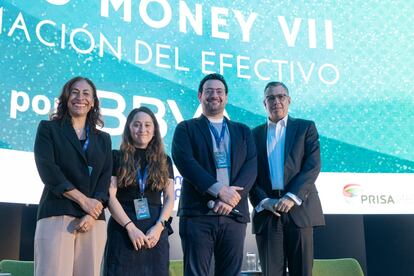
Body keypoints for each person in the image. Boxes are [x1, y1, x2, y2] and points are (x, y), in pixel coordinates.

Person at [172, 73, 257, 276]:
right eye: (209, 91)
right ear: (200, 96)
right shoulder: (186, 128)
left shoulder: (243, 131)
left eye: (219, 91)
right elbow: (186, 163)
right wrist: (220, 191)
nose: (214, 95)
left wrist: (230, 200)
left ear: (226, 97)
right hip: (198, 215)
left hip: (234, 215)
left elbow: (251, 167)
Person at [33, 76, 112, 276]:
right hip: (57, 212)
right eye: (75, 92)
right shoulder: (48, 129)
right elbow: (48, 171)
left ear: (93, 102)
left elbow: (104, 181)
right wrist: (83, 201)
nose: (80, 97)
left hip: (93, 220)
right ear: (66, 97)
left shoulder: (103, 139)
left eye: (86, 94)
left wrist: (91, 212)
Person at [249, 81, 325, 276]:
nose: (276, 101)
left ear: (289, 100)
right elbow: (249, 174)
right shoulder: (253, 135)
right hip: (268, 212)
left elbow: (312, 166)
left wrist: (291, 197)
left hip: (300, 209)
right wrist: (264, 201)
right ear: (264, 103)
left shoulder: (305, 128)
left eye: (281, 96)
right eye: (271, 98)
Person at [104, 107, 174, 276]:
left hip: (155, 232)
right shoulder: (115, 156)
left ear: (154, 129)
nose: (142, 129)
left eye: (147, 125)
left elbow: (170, 198)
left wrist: (158, 228)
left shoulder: (165, 160)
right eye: (137, 124)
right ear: (129, 128)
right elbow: (110, 197)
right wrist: (130, 228)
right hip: (123, 230)